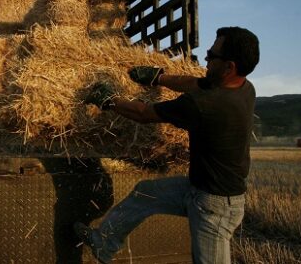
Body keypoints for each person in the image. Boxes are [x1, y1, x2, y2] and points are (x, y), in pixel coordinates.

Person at [75, 26, 260, 264]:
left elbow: (144, 113)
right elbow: (195, 83)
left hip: (214, 207)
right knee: (145, 192)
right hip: (198, 188)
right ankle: (105, 242)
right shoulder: (245, 88)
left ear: (229, 66)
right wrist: (158, 77)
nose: (206, 57)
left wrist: (110, 101)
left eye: (212, 55)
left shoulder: (206, 105)